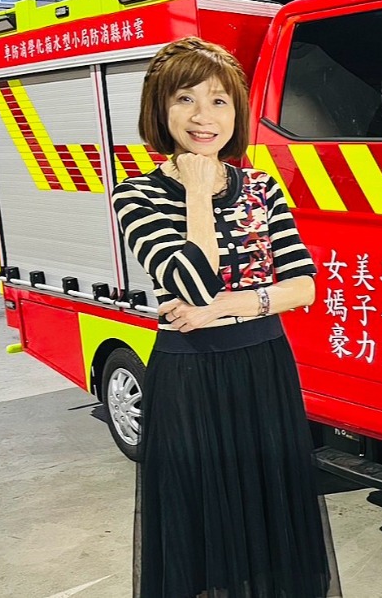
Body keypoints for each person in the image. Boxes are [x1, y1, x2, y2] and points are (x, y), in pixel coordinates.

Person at [111, 36, 341, 598]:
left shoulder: (262, 187)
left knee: (270, 516)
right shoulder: (135, 195)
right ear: (161, 108)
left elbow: (305, 286)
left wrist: (230, 307)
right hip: (189, 377)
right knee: (202, 524)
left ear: (236, 111)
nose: (203, 116)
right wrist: (196, 191)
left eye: (218, 101)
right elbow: (194, 281)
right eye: (185, 99)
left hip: (265, 369)